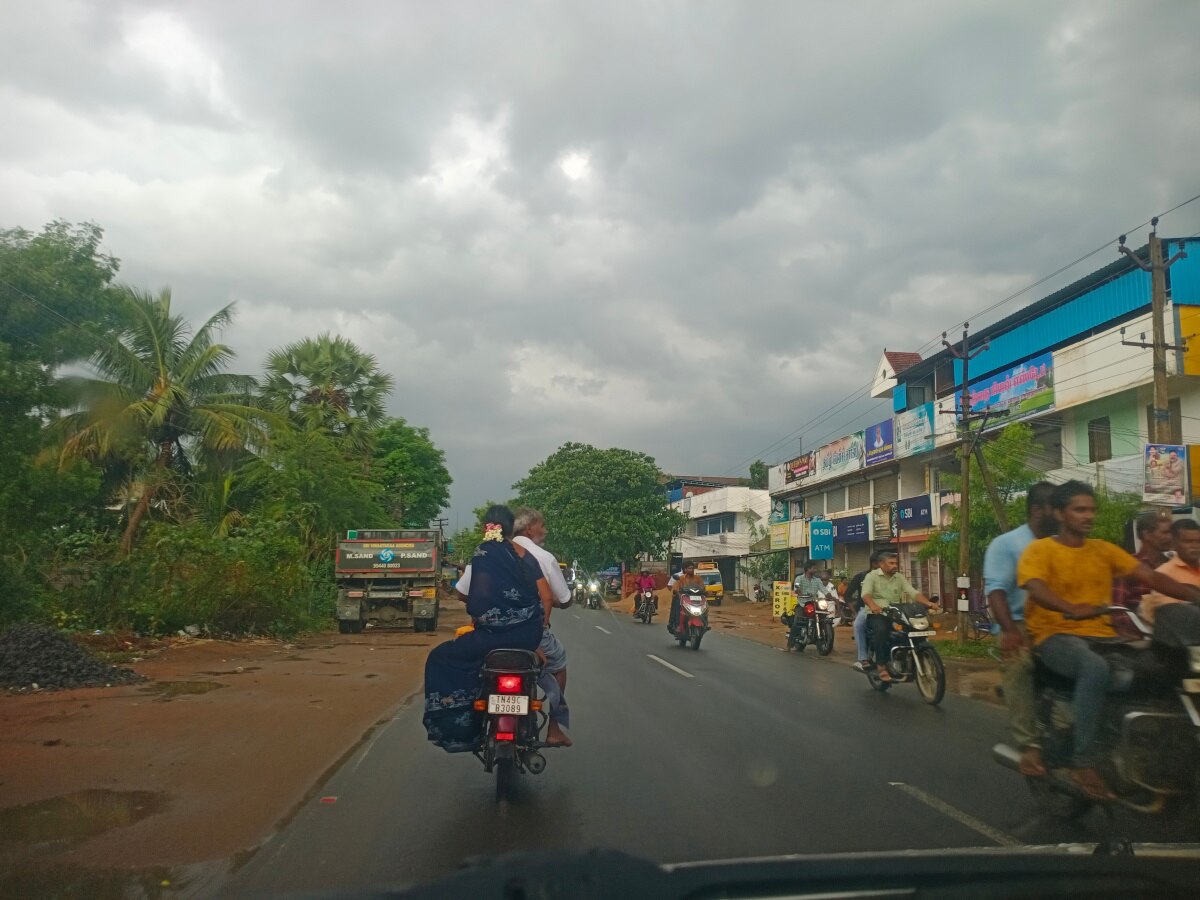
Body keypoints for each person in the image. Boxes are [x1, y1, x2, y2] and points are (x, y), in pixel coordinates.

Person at [1018, 480, 1200, 801]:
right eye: (1079, 509)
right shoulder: (1040, 549)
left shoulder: (1103, 549)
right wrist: (1067, 607)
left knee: (1152, 674)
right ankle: (1082, 763)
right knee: (1095, 668)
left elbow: (1150, 577)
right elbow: (1034, 585)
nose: (1088, 516)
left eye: (1091, 510)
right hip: (1055, 636)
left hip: (1104, 637)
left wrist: (1191, 594)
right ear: (1060, 514)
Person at [423, 505, 553, 751]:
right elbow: (545, 597)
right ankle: (552, 725)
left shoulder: (483, 553)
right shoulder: (525, 555)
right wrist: (537, 632)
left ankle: (463, 729)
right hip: (527, 637)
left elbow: (479, 600)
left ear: (487, 526)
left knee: (440, 657)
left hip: (492, 638)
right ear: (509, 527)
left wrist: (482, 613)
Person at [982, 481, 1056, 777]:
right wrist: (1010, 630)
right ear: (1038, 510)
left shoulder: (1065, 543)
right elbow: (996, 590)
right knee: (1019, 663)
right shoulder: (1007, 544)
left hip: (1063, 623)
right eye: (1057, 507)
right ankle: (1029, 746)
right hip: (1021, 623)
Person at [860, 551, 941, 680]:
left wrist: (927, 603)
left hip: (896, 613)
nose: (894, 565)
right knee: (882, 631)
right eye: (891, 563)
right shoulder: (872, 576)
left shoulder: (899, 577)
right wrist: (873, 606)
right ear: (881, 564)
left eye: (895, 563)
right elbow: (866, 594)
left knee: (912, 630)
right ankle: (881, 665)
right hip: (877, 614)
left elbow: (913, 592)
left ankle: (921, 658)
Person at [1111, 510, 1174, 636]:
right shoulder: (1127, 565)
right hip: (1141, 635)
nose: (1171, 537)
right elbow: (1117, 609)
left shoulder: (1174, 563)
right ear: (1147, 534)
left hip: (1176, 632)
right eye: (1165, 532)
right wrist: (1134, 636)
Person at [1140, 518, 1200, 647]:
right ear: (1174, 543)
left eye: (1198, 541)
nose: (1195, 546)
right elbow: (1173, 616)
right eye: (1188, 541)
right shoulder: (1164, 575)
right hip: (1187, 645)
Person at [847, 552, 882, 670]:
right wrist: (854, 613)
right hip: (866, 609)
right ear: (874, 564)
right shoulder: (861, 576)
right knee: (858, 625)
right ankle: (863, 659)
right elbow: (848, 595)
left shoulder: (892, 576)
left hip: (887, 608)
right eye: (882, 563)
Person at [668, 562, 704, 634]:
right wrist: (678, 593)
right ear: (685, 569)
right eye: (689, 568)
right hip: (684, 598)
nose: (691, 570)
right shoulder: (681, 579)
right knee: (679, 606)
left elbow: (702, 587)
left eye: (692, 568)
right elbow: (676, 588)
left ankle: (705, 623)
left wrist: (705, 592)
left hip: (695, 599)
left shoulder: (698, 578)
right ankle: (678, 625)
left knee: (704, 606)